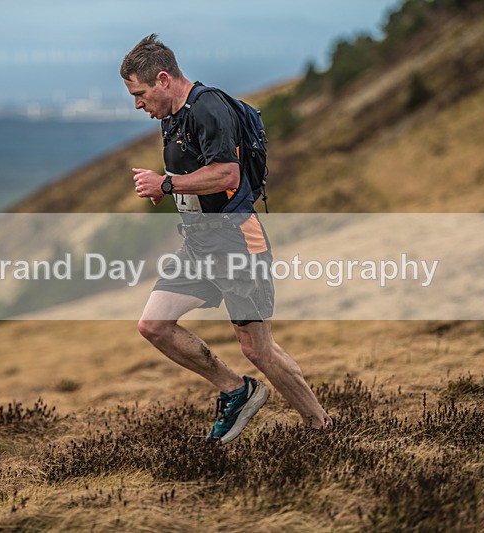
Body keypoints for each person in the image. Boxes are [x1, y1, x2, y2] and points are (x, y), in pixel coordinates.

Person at [120, 34, 332, 444]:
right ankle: (237, 389)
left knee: (258, 349)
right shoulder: (173, 117)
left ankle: (322, 426)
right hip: (199, 244)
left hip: (236, 242)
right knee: (154, 325)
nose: (138, 105)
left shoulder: (208, 108)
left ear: (163, 79)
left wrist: (165, 183)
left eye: (140, 94)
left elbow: (227, 175)